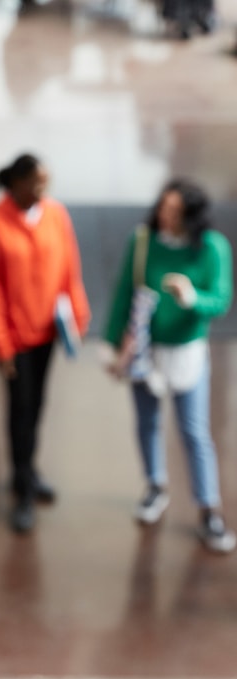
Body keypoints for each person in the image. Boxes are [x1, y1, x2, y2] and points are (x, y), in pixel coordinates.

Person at [103, 177, 235, 554]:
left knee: (194, 431)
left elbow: (220, 299)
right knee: (147, 422)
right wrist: (114, 346)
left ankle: (208, 508)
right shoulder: (142, 241)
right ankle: (155, 485)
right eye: (163, 207)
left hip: (186, 353)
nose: (166, 216)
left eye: (175, 212)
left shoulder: (212, 248)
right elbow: (124, 291)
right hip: (146, 349)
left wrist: (193, 298)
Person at [0, 153, 91, 532]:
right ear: (17, 184)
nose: (43, 189)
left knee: (37, 404)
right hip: (18, 339)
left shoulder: (56, 214)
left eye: (46, 182)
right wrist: (2, 347)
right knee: (20, 413)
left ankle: (27, 471)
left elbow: (69, 267)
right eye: (36, 182)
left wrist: (77, 315)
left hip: (48, 333)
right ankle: (23, 490)